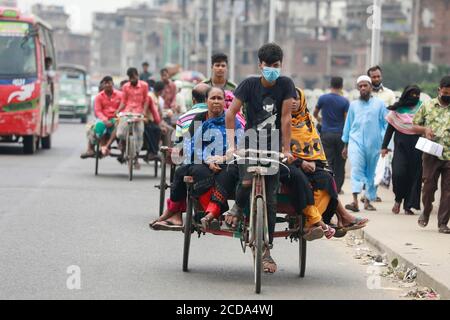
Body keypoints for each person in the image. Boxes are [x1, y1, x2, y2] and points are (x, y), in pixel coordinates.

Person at [226, 43, 296, 274]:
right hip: (249, 143)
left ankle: (267, 249)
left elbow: (286, 118)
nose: (272, 70)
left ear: (280, 65)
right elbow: (230, 113)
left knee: (272, 199)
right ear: (260, 65)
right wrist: (232, 146)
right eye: (268, 66)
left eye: (276, 66)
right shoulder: (248, 84)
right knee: (246, 181)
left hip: (274, 145)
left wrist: (287, 149)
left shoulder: (286, 84)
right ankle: (237, 207)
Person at [150, 87, 242, 231]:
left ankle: (212, 212)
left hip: (227, 161)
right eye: (213, 98)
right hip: (203, 160)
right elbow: (189, 144)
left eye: (220, 98)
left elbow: (239, 145)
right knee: (186, 171)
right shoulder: (199, 119)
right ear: (206, 101)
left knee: (230, 171)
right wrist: (208, 160)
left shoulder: (232, 120)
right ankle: (176, 210)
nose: (216, 101)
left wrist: (223, 158)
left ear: (225, 101)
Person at [342, 75, 388, 212]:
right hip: (355, 143)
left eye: (365, 85)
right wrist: (345, 145)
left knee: (371, 173)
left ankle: (367, 201)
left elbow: (386, 125)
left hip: (374, 144)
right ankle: (355, 201)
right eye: (360, 86)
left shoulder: (379, 104)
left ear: (370, 87)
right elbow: (348, 125)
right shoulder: (353, 105)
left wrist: (385, 145)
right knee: (356, 169)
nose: (362, 88)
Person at [412, 76, 450, 234]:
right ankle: (426, 211)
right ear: (439, 90)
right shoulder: (427, 106)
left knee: (448, 191)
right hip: (431, 154)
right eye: (446, 92)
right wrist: (425, 130)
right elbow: (414, 126)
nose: (447, 96)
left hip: (449, 155)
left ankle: (443, 223)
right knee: (428, 187)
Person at [381, 85, 423, 215]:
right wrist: (384, 147)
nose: (415, 97)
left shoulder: (422, 108)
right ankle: (398, 199)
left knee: (414, 176)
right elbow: (389, 130)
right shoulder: (397, 110)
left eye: (417, 95)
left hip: (417, 147)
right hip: (401, 147)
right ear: (406, 95)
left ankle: (408, 206)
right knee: (399, 173)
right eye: (412, 95)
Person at [103, 68, 150, 169]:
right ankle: (124, 146)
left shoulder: (144, 85)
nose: (132, 80)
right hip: (127, 112)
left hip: (138, 113)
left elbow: (146, 100)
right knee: (120, 133)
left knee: (139, 133)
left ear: (137, 76)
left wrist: (144, 112)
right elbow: (123, 101)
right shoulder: (125, 86)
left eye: (133, 77)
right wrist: (118, 111)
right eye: (130, 78)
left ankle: (136, 155)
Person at [314, 77, 349, 193]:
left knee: (327, 161)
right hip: (340, 135)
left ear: (331, 84)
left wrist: (320, 120)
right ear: (341, 86)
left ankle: (328, 186)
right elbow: (346, 120)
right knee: (340, 162)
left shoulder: (323, 98)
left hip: (326, 134)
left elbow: (315, 113)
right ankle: (338, 188)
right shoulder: (345, 101)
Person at [81, 76, 122, 159]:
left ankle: (107, 145)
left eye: (109, 83)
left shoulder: (120, 95)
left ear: (112, 84)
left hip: (116, 118)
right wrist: (105, 120)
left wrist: (115, 117)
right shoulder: (99, 97)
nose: (107, 85)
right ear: (103, 85)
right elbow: (98, 111)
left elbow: (123, 107)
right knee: (96, 126)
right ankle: (100, 147)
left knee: (120, 125)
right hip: (103, 119)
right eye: (105, 83)